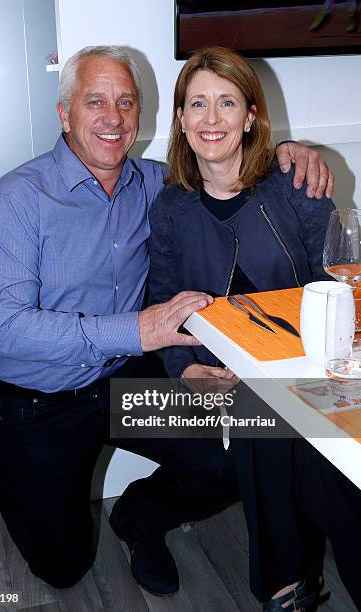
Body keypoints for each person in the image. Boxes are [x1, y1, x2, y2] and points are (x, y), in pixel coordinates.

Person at [0, 44, 332, 596]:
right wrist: (137, 329)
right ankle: (2, 458)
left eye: (125, 102)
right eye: (95, 101)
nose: (113, 118)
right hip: (40, 401)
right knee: (62, 568)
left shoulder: (159, 184)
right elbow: (8, 330)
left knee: (231, 454)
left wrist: (290, 152)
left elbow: (226, 166)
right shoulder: (17, 199)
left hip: (122, 382)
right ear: (65, 114)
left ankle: (139, 518)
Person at [147, 46, 360, 609]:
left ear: (249, 117)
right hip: (216, 374)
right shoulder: (170, 207)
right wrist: (184, 367)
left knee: (288, 435)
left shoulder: (295, 184)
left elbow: (336, 287)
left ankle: (282, 589)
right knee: (266, 416)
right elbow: (162, 299)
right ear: (181, 119)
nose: (211, 119)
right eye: (197, 104)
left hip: (307, 368)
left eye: (226, 103)